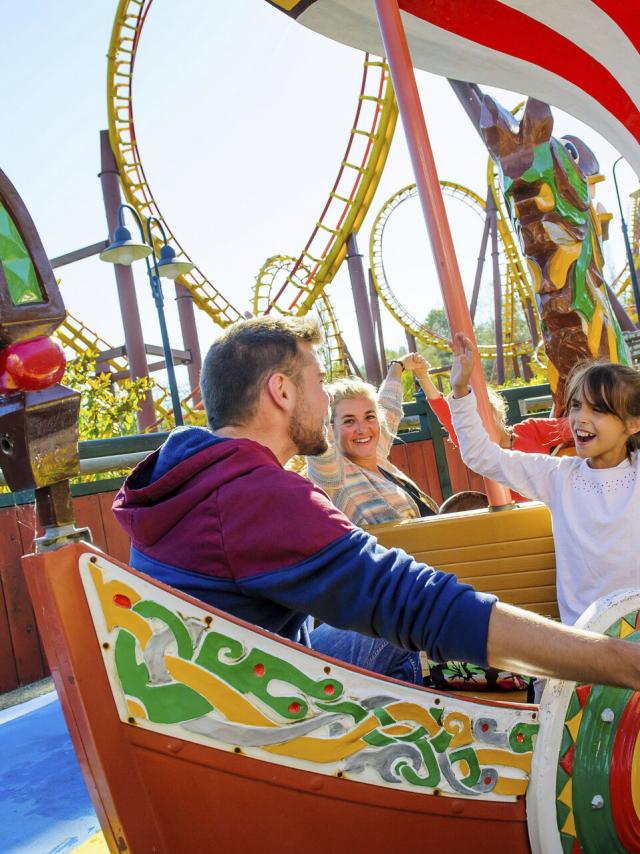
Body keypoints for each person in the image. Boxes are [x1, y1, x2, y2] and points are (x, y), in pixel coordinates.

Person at [112, 317, 640, 694]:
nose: (326, 401)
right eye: (319, 383)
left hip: (219, 681)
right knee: (407, 640)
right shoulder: (257, 495)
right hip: (249, 705)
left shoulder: (190, 470)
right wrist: (615, 661)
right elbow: (414, 602)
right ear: (281, 391)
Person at [448, 331, 640, 627]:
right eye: (576, 406)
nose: (580, 418)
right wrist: (460, 390)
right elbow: (480, 454)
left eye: (598, 409)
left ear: (633, 423)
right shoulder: (559, 477)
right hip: (588, 636)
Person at [307, 354, 438, 527]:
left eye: (369, 417)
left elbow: (390, 407)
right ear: (330, 428)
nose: (362, 429)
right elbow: (318, 440)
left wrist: (398, 366)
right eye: (349, 421)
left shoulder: (376, 456)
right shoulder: (335, 475)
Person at [418, 361, 574, 503]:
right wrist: (422, 376)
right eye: (473, 417)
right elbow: (446, 412)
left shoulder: (530, 430)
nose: (478, 421)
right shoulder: (477, 446)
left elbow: (574, 427)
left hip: (548, 508)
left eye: (481, 413)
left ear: (495, 411)